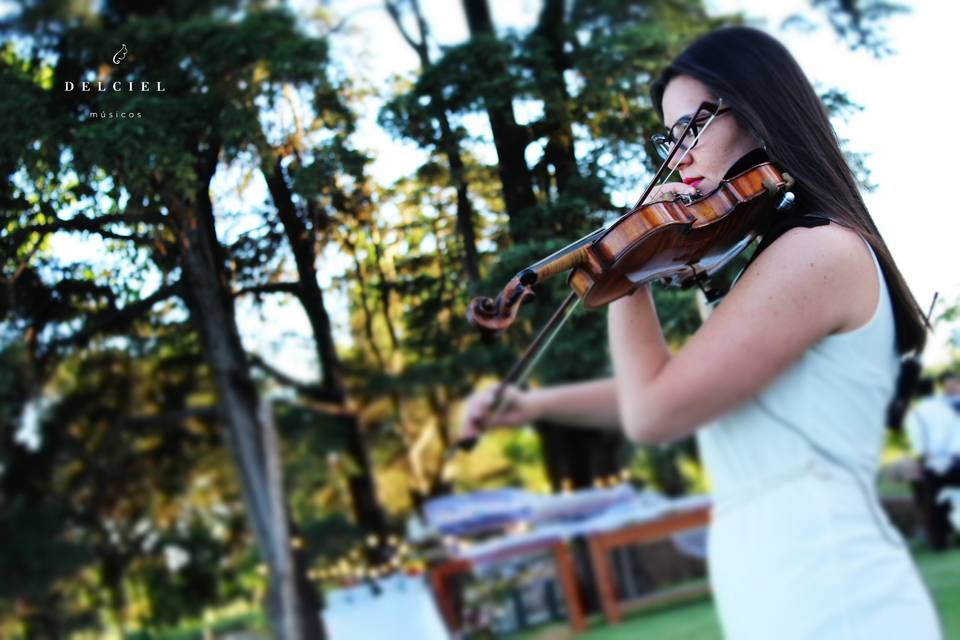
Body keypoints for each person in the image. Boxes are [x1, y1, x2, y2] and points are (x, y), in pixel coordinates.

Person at [460, 26, 942, 640]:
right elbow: (689, 390)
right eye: (668, 137)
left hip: (835, 591)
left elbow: (655, 411)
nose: (676, 154)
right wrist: (532, 406)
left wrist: (626, 264)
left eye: (693, 127)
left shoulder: (818, 252)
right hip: (781, 586)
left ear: (760, 116)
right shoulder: (773, 259)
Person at [905, 372, 960, 550]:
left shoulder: (916, 413)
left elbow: (918, 442)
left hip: (932, 462)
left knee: (935, 504)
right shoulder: (947, 409)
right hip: (954, 459)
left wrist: (924, 458)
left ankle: (940, 543)